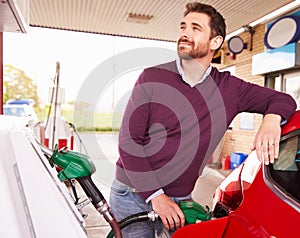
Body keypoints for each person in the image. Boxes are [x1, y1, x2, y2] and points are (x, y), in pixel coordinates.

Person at [109, 2, 297, 237]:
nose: (185, 33)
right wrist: (156, 197)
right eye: (183, 27)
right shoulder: (152, 78)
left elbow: (284, 99)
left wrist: (271, 120)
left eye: (195, 28)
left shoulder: (230, 89)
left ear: (215, 42)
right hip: (133, 194)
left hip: (180, 199)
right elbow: (129, 143)